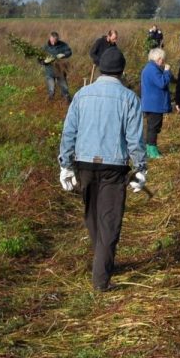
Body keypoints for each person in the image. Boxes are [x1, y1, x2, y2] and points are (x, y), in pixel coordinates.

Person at [57, 45, 145, 291]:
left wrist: (65, 165)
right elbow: (134, 139)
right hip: (113, 168)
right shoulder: (129, 98)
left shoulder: (82, 95)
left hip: (84, 165)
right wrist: (140, 168)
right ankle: (101, 282)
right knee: (110, 221)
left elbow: (69, 132)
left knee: (93, 217)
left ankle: (101, 262)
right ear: (121, 72)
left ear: (100, 69)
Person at [139, 47, 172, 159]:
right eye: (162, 59)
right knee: (154, 127)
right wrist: (167, 72)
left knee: (151, 127)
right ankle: (152, 151)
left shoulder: (149, 68)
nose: (163, 61)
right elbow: (162, 83)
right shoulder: (153, 70)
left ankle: (149, 149)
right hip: (155, 104)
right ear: (158, 59)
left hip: (150, 104)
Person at [39, 31, 73, 101]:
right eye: (53, 40)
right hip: (49, 71)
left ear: (58, 39)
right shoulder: (45, 47)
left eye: (56, 41)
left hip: (60, 70)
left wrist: (64, 54)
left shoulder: (63, 45)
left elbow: (69, 52)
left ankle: (67, 99)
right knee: (51, 89)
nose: (54, 42)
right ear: (50, 38)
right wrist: (44, 62)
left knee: (64, 87)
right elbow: (39, 59)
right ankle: (50, 101)